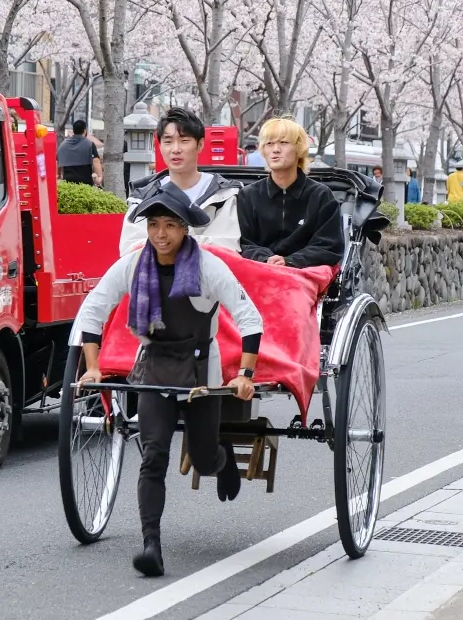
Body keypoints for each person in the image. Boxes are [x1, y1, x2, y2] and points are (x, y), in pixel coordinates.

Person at [70, 186, 264, 577]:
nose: (161, 234)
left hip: (201, 371)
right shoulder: (133, 265)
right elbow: (92, 312)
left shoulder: (207, 266)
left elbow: (250, 319)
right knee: (153, 455)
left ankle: (221, 457)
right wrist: (92, 367)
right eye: (154, 225)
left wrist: (244, 375)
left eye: (171, 225)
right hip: (155, 368)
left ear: (185, 228)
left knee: (203, 459)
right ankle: (151, 546)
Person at [121, 108, 243, 254]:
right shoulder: (143, 197)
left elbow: (227, 247)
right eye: (168, 141)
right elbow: (130, 248)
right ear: (159, 146)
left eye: (184, 141)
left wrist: (171, 243)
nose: (176, 149)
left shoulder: (224, 194)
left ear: (200, 145)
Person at [237, 117, 345, 269]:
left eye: (283, 142)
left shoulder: (320, 196)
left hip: (305, 272)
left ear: (299, 149)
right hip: (258, 271)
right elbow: (242, 242)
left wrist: (290, 261)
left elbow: (329, 245)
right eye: (269, 144)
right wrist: (266, 259)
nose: (275, 149)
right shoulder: (248, 195)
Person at [57, 119, 103, 186]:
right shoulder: (89, 144)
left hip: (68, 183)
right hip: (85, 183)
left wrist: (58, 174)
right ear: (84, 130)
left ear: (73, 131)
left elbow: (58, 161)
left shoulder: (63, 145)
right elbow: (96, 161)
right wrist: (99, 177)